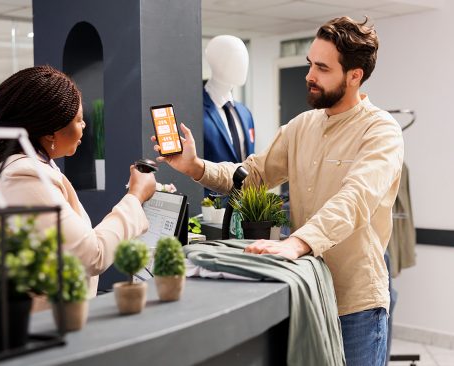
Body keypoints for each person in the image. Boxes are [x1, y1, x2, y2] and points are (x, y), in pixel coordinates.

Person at [154, 17, 403, 366]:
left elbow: (356, 198)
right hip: (308, 294)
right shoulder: (302, 126)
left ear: (354, 75)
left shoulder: (381, 132)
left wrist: (296, 242)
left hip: (355, 304)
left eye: (322, 67)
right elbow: (252, 174)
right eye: (309, 64)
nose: (309, 75)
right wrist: (195, 166)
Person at [0, 65, 156, 298]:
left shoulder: (19, 166)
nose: (84, 126)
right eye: (79, 119)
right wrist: (135, 197)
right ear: (51, 132)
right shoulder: (23, 176)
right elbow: (93, 255)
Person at [203, 35, 255, 164]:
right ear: (216, 61)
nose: (243, 65)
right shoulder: (195, 111)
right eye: (236, 58)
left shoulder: (245, 113)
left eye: (245, 58)